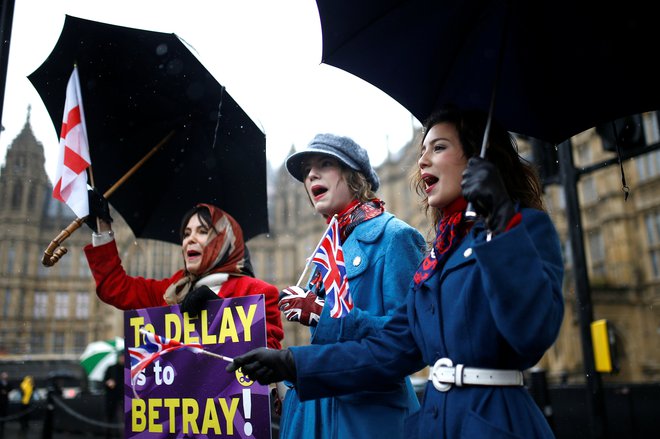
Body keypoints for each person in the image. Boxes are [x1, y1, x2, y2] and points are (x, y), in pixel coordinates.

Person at [227, 106, 565, 438]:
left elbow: (531, 333)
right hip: (437, 422)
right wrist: (291, 363)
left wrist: (502, 221)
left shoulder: (521, 228)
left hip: (493, 421)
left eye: (439, 147)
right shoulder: (440, 253)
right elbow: (393, 346)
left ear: (479, 159)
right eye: (422, 150)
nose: (423, 161)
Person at [275, 133, 426, 439]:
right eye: (306, 172)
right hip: (319, 416)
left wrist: (322, 313)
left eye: (325, 164)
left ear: (353, 175)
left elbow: (410, 342)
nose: (311, 175)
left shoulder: (395, 236)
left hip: (370, 420)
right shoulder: (328, 249)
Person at [83, 200, 284, 349]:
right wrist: (102, 230)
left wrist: (219, 313)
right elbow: (114, 287)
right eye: (186, 234)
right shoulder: (171, 290)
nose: (190, 239)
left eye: (202, 231)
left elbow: (267, 358)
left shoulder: (258, 293)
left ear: (224, 240)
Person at [103, 354, 124, 438]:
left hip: (123, 397)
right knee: (110, 416)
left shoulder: (128, 369)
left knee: (122, 417)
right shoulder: (111, 368)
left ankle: (120, 434)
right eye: (121, 357)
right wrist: (108, 383)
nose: (122, 359)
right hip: (112, 397)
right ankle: (109, 434)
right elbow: (105, 381)